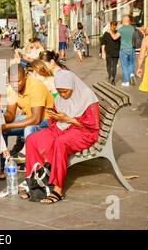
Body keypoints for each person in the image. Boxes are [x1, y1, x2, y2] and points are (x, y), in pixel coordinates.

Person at [23, 69, 100, 203]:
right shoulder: (59, 97)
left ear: (72, 86)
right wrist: (55, 116)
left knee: (60, 142)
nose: (63, 95)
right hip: (61, 127)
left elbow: (92, 125)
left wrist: (68, 119)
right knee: (32, 139)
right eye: (60, 91)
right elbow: (55, 120)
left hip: (83, 132)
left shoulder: (87, 96)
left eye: (65, 91)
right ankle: (36, 184)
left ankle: (57, 189)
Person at [1, 64, 54, 176]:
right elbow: (10, 114)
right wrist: (0, 118)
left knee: (29, 129)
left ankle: (32, 171)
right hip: (31, 117)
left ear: (25, 77)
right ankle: (1, 168)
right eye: (12, 81)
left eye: (18, 81)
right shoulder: (12, 88)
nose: (15, 85)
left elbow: (36, 119)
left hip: (48, 120)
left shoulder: (36, 86)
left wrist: (7, 126)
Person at [118, 15, 137, 87]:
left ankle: (126, 81)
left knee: (124, 65)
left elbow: (115, 37)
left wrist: (110, 32)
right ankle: (131, 73)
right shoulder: (132, 28)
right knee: (131, 63)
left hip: (123, 49)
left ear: (123, 20)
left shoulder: (121, 29)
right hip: (131, 48)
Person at [101, 21, 121, 85]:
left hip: (109, 52)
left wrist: (103, 52)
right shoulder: (118, 33)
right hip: (116, 52)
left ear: (110, 25)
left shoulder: (106, 33)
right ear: (116, 25)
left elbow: (103, 43)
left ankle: (110, 76)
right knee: (114, 66)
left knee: (109, 65)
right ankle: (113, 79)